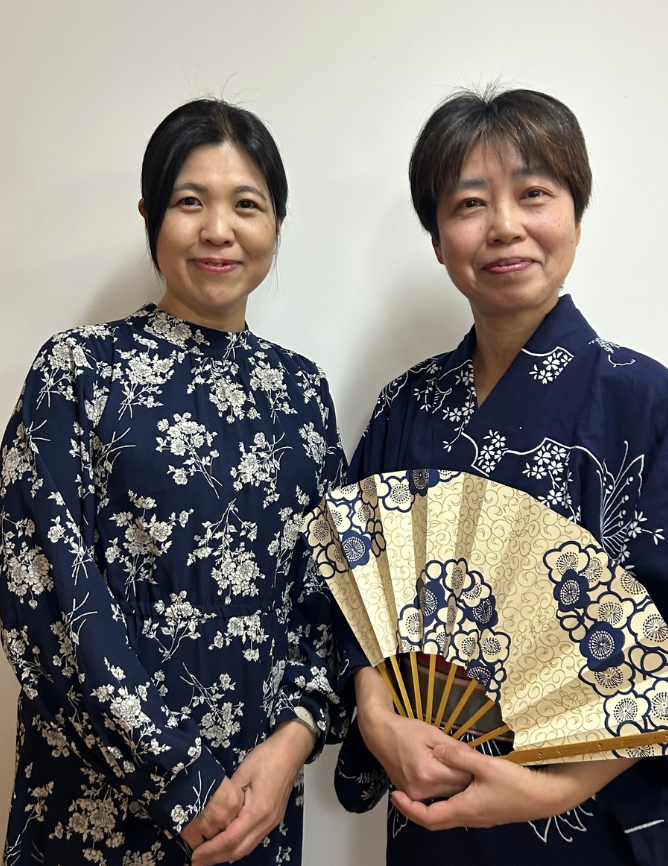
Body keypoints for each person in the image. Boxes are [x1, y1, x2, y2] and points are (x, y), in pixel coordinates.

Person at [0, 98, 348, 866]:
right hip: (94, 809)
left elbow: (333, 597)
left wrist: (293, 741)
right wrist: (179, 777)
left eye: (246, 205)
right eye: (191, 201)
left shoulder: (302, 393)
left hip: (254, 812)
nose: (218, 229)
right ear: (150, 215)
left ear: (277, 224)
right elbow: (43, 594)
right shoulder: (78, 370)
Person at [334, 87, 668, 865]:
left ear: (577, 215)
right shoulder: (406, 406)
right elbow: (350, 592)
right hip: (428, 816)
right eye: (470, 203)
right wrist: (377, 719)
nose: (505, 226)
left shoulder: (646, 401)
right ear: (437, 238)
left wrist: (551, 791)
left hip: (587, 823)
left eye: (534, 194)